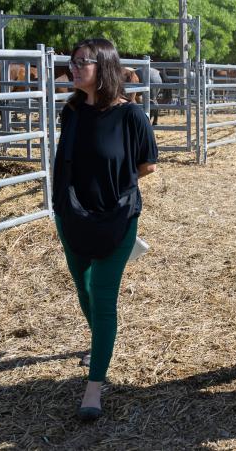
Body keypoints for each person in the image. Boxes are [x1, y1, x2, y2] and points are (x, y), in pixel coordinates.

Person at [52, 38, 158, 421]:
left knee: (102, 293)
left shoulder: (131, 116)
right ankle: (99, 341)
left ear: (105, 66)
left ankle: (94, 387)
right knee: (83, 288)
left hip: (116, 218)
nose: (74, 68)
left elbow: (147, 165)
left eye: (82, 62)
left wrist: (111, 188)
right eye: (73, 61)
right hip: (71, 216)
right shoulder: (73, 111)